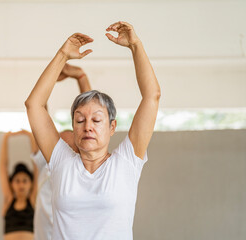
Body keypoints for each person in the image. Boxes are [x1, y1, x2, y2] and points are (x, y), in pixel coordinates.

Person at [25, 21, 161, 240]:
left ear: (112, 127)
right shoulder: (60, 160)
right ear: (73, 127)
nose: (87, 126)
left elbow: (152, 96)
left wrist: (135, 45)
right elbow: (34, 105)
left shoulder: (126, 161)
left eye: (97, 120)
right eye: (79, 120)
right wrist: (62, 55)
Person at [31, 63, 91, 240]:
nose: (58, 146)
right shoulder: (45, 162)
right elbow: (39, 112)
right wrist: (49, 81)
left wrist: (81, 76)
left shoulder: (83, 168)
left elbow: (90, 113)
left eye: (66, 144)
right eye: (57, 142)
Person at [0, 130, 38, 240]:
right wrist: (6, 138)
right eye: (17, 181)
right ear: (11, 184)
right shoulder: (9, 199)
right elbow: (3, 167)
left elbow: (36, 166)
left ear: (31, 183)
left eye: (25, 181)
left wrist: (31, 137)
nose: (21, 184)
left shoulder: (32, 200)